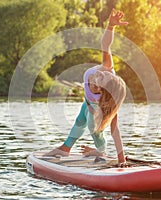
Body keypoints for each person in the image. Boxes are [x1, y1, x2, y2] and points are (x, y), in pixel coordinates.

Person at [46, 9, 128, 165]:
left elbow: (115, 131)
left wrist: (121, 160)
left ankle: (101, 151)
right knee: (80, 120)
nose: (98, 75)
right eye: (104, 74)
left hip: (95, 109)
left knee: (94, 128)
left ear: (102, 91)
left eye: (100, 80)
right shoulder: (107, 67)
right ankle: (66, 148)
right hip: (88, 103)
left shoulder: (105, 103)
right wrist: (110, 27)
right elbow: (105, 44)